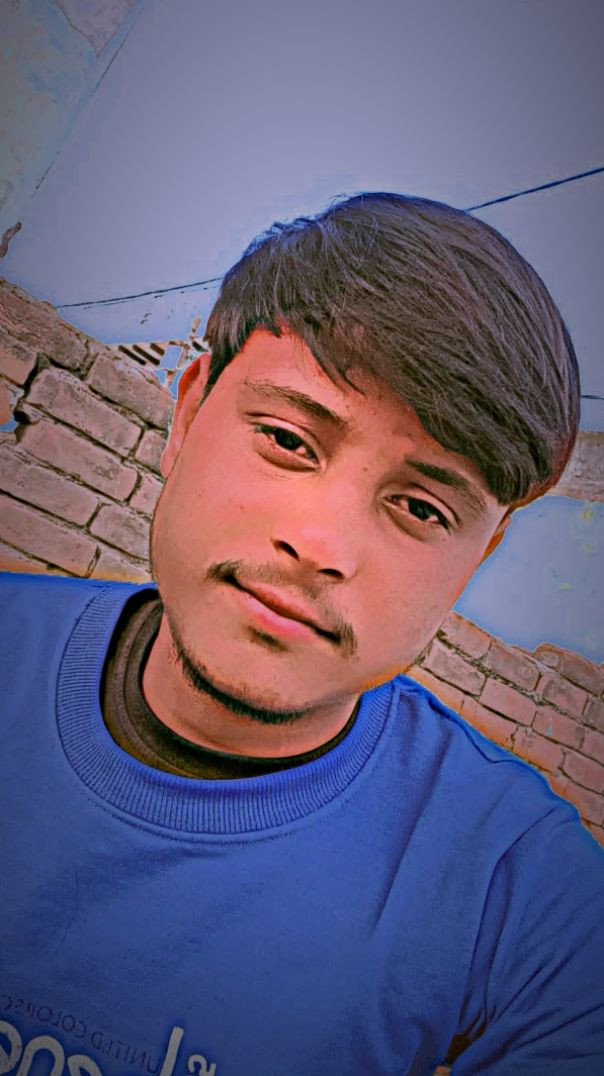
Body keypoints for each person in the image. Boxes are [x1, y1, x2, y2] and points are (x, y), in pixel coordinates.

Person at [1, 192, 602, 1076]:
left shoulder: (516, 885)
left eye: (421, 508)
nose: (319, 548)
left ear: (479, 555)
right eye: (287, 440)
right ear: (188, 415)